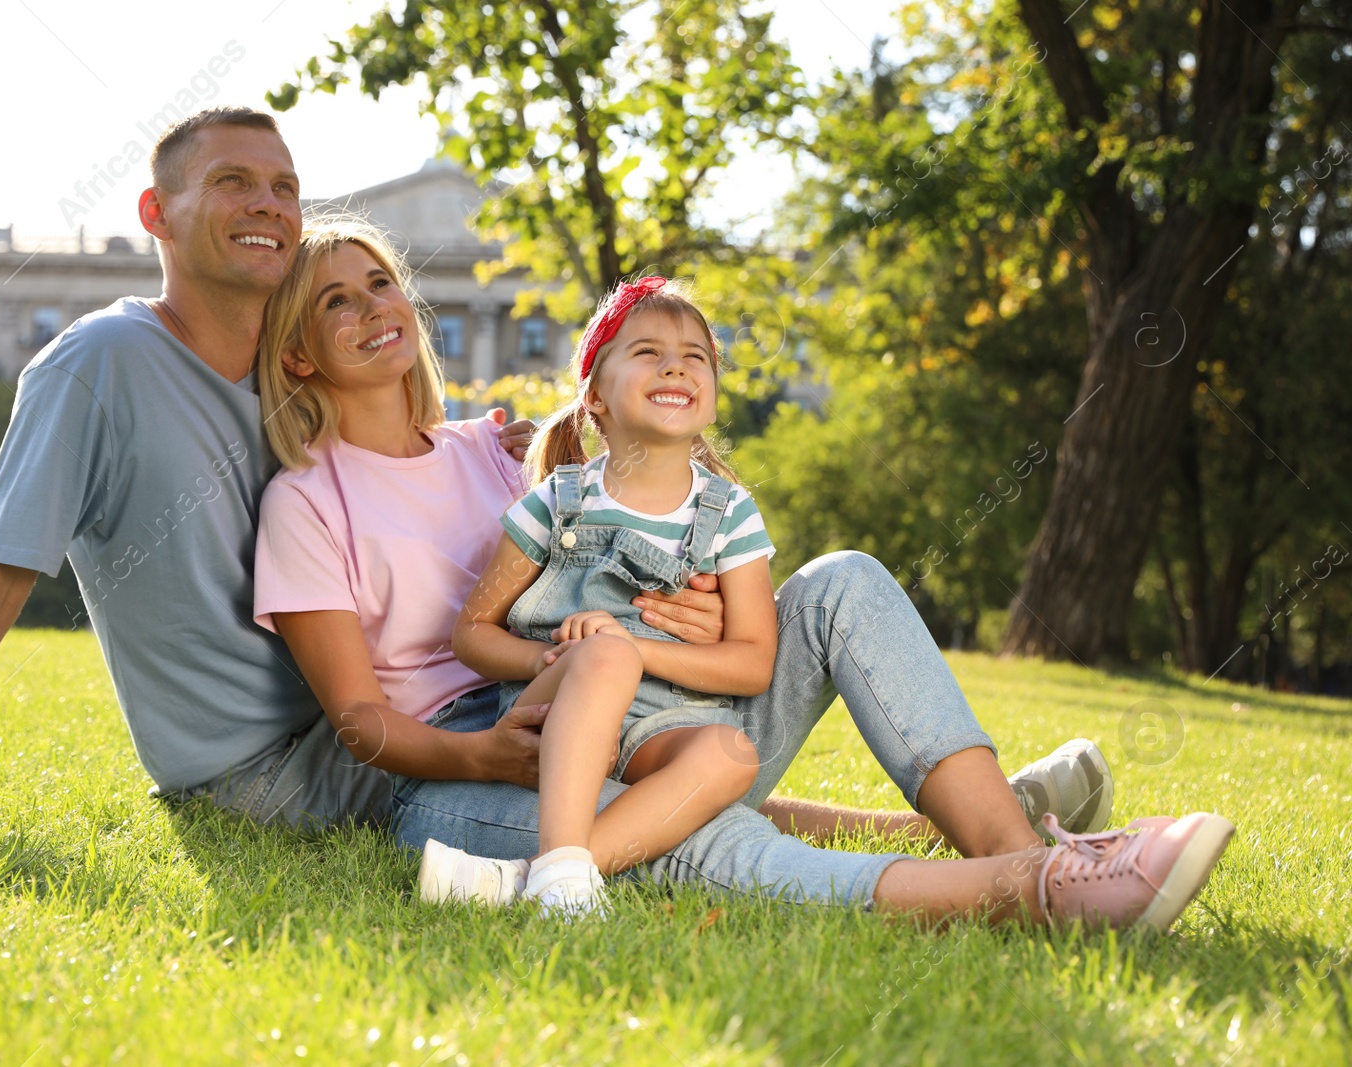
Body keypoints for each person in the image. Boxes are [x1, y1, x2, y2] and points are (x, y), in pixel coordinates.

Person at [253, 214, 1236, 930]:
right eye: (331, 300)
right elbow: (358, 720)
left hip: (645, 714)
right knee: (698, 841)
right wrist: (487, 753)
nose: (368, 306)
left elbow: (617, 522)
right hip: (468, 768)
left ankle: (1004, 837)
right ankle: (1033, 892)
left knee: (842, 579)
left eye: (378, 281)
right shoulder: (307, 499)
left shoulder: (490, 447)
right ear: (296, 355)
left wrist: (691, 612)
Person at [0, 107, 541, 823]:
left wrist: (500, 452)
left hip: (383, 711)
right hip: (270, 767)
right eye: (232, 182)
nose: (267, 203)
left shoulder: (292, 361)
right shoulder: (99, 364)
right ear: (155, 214)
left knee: (611, 702)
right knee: (576, 760)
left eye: (284, 187)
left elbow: (395, 468)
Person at [447, 276, 778, 915]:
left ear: (710, 394)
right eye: (648, 351)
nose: (676, 365)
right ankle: (560, 876)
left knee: (732, 754)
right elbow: (471, 632)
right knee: (604, 658)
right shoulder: (555, 502)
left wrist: (632, 647)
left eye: (696, 356)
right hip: (558, 711)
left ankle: (541, 877)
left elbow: (752, 663)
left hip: (660, 725)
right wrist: (554, 660)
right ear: (594, 394)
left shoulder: (731, 514)